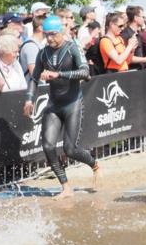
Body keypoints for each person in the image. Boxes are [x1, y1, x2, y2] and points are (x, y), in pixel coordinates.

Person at [23, 15, 100, 199]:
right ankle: (65, 187)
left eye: (53, 34)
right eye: (46, 34)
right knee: (48, 146)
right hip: (54, 105)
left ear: (62, 32)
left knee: (70, 149)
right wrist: (29, 99)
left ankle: (94, 164)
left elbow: (85, 72)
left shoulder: (72, 47)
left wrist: (58, 75)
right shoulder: (43, 53)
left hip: (73, 103)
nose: (49, 38)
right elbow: (34, 78)